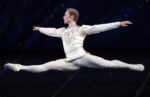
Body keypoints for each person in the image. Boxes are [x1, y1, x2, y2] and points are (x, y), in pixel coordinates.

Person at [4, 8, 144, 73]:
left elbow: (98, 28)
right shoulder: (62, 31)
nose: (63, 17)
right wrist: (40, 29)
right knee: (45, 67)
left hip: (82, 57)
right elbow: (51, 30)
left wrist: (118, 23)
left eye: (65, 15)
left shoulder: (81, 29)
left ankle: (133, 66)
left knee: (108, 65)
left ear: (71, 17)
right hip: (70, 61)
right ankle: (20, 67)